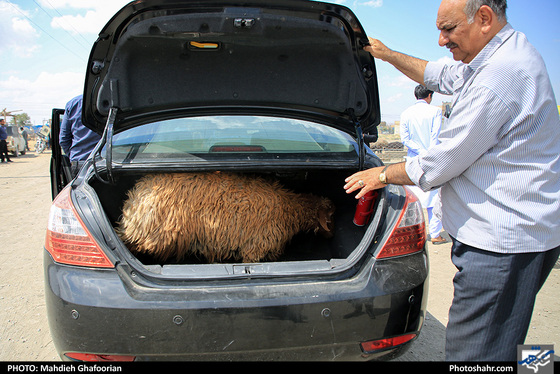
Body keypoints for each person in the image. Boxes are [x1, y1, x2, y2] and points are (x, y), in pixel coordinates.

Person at [344, 0, 560, 361]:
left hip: (501, 245)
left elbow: (440, 161)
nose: (442, 40)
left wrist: (381, 174)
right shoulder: (492, 58)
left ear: (485, 18)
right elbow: (438, 74)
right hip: (515, 236)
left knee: (473, 354)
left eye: (448, 29)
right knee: (504, 341)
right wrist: (387, 54)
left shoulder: (499, 77)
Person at [400, 85, 446, 244]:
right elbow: (436, 135)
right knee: (434, 199)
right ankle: (435, 235)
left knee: (413, 197)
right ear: (430, 95)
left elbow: (405, 139)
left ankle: (412, 234)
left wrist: (419, 151)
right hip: (432, 159)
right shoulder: (435, 112)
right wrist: (428, 153)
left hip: (413, 160)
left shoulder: (406, 113)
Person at [59, 95, 101, 177]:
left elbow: (63, 140)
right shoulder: (115, 101)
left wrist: (75, 157)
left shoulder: (73, 103)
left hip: (80, 164)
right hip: (108, 163)